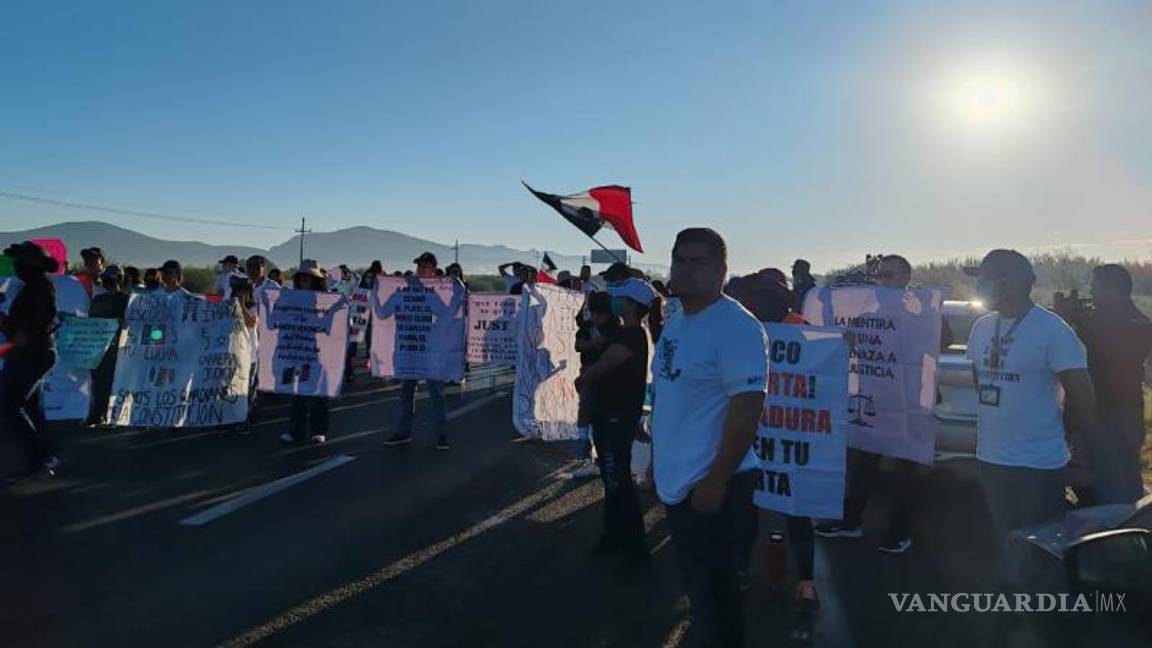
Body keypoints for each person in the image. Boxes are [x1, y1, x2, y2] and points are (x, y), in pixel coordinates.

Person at [651, 228, 768, 647]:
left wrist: (717, 480)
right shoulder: (677, 321)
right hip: (678, 483)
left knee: (717, 603)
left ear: (721, 271)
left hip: (715, 487)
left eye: (697, 262)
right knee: (699, 595)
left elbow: (747, 409)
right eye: (679, 260)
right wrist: (656, 461)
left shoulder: (736, 327)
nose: (685, 270)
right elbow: (670, 397)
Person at [964, 250, 1098, 557]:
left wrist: (1075, 443)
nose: (978, 287)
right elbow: (980, 380)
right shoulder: (982, 327)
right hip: (990, 456)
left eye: (983, 279)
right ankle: (1014, 593)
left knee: (1042, 544)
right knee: (1006, 539)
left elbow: (1082, 395)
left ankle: (1042, 600)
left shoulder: (1052, 329)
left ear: (1009, 282)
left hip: (1038, 462)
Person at [725, 271, 820, 632]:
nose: (764, 303)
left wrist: (844, 345)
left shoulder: (799, 326)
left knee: (796, 509)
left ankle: (806, 582)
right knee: (746, 505)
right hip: (755, 432)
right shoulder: (745, 330)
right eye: (759, 297)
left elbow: (824, 363)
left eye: (771, 296)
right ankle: (740, 569)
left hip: (791, 434)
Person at [815, 254, 921, 554]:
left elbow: (935, 346)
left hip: (905, 405)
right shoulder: (865, 319)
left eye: (889, 275)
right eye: (878, 276)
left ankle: (899, 531)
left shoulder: (917, 318)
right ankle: (851, 522)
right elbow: (841, 342)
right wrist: (827, 310)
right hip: (869, 402)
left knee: (903, 472)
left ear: (905, 280)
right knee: (861, 467)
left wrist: (926, 314)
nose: (881, 282)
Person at [576, 278, 656, 572]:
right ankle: (613, 535)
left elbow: (603, 365)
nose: (614, 302)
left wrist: (584, 379)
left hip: (616, 417)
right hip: (606, 413)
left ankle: (636, 548)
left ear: (632, 305)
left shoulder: (633, 335)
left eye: (620, 298)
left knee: (618, 479)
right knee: (611, 480)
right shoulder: (625, 332)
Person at [1073, 264, 1152, 503]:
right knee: (1121, 478)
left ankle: (1117, 534)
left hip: (1105, 412)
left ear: (1111, 289)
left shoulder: (1102, 322)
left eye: (1094, 286)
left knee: (1109, 487)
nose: (1091, 292)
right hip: (1125, 410)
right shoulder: (1140, 321)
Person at [1, 242, 61, 481]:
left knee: (11, 406)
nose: (16, 267)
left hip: (32, 353)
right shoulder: (35, 287)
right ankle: (46, 455)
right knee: (30, 408)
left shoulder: (40, 289)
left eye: (20, 263)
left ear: (30, 266)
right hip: (31, 352)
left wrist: (4, 322)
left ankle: (39, 459)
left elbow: (29, 328)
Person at [384, 252, 456, 451]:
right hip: (408, 350)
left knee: (436, 394)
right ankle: (402, 432)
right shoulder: (403, 292)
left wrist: (457, 293)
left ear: (433, 271)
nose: (421, 270)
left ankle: (441, 435)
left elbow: (447, 316)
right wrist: (381, 291)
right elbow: (383, 313)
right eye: (419, 267)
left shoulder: (434, 295)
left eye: (425, 267)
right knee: (406, 392)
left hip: (430, 351)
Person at [280, 260, 331, 445]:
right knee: (297, 393)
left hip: (317, 352)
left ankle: (319, 430)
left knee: (317, 393)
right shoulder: (292, 298)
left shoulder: (325, 299)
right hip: (296, 352)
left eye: (308, 278)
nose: (304, 281)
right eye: (302, 277)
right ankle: (295, 431)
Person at [572, 292, 614, 479]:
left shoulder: (614, 328)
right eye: (593, 312)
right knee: (585, 408)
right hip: (588, 370)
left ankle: (602, 458)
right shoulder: (587, 326)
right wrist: (593, 343)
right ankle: (584, 450)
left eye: (600, 313)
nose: (596, 317)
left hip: (608, 374)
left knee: (603, 415)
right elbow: (579, 345)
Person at [86, 265, 130, 427]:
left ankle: (112, 414)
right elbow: (92, 321)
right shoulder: (99, 299)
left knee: (113, 381)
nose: (108, 282)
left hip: (117, 347)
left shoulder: (125, 299)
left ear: (119, 279)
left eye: (112, 279)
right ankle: (98, 413)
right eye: (107, 279)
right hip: (99, 346)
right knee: (99, 382)